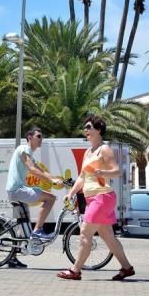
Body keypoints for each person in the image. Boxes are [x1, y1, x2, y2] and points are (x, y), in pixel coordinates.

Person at [57, 114, 135, 282]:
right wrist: (70, 193)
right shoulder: (88, 152)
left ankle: (75, 270)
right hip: (93, 198)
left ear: (98, 130)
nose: (85, 130)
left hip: (102, 197)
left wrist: (102, 172)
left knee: (85, 232)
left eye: (89, 127)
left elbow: (117, 171)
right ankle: (127, 268)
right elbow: (82, 177)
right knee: (108, 236)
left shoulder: (104, 149)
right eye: (85, 127)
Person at [6, 126, 63, 268]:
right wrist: (51, 181)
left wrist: (58, 180)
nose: (41, 139)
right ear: (29, 138)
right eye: (38, 136)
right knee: (50, 198)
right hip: (17, 190)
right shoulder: (23, 149)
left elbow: (41, 170)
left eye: (41, 137)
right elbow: (32, 169)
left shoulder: (30, 154)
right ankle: (38, 231)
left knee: (22, 226)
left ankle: (12, 258)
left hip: (18, 191)